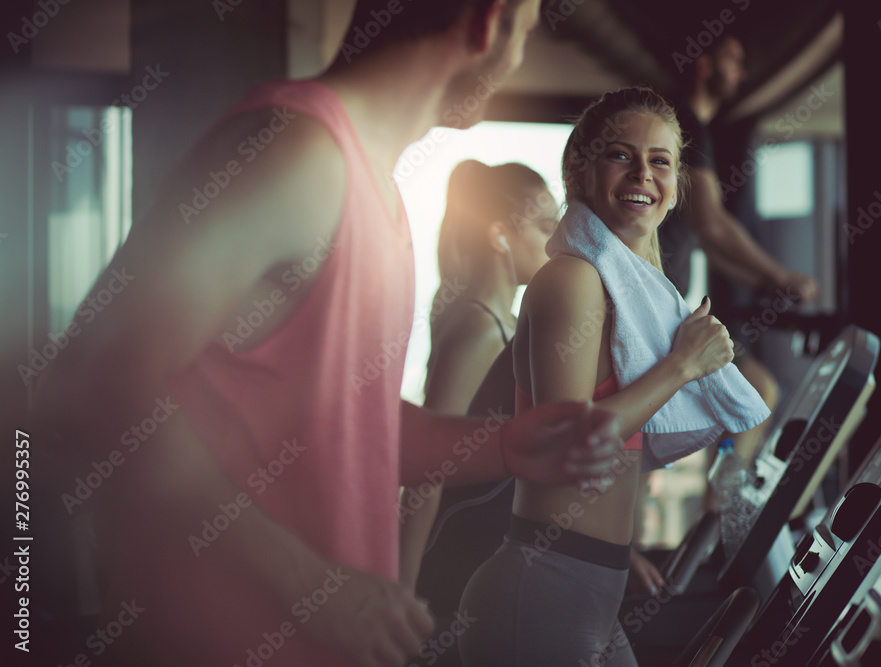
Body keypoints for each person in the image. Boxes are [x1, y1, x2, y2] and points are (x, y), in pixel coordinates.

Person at [32, 3, 626, 666]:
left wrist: (505, 445)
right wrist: (314, 587)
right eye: (528, 27)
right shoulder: (298, 154)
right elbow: (96, 381)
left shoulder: (379, 192)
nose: (520, 53)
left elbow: (354, 425)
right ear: (492, 21)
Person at [458, 87, 753, 666]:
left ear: (674, 187)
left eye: (660, 161)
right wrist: (682, 366)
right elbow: (564, 439)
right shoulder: (572, 280)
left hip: (589, 587)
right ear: (579, 170)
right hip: (543, 589)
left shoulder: (630, 297)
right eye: (621, 155)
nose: (643, 172)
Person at [398, 160, 558, 592]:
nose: (559, 240)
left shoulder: (505, 322)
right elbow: (425, 468)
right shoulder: (479, 328)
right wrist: (403, 587)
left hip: (486, 552)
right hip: (452, 561)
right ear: (500, 235)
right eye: (546, 227)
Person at [660, 33, 819, 460]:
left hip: (665, 307)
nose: (742, 73)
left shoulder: (695, 128)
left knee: (752, 395)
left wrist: (759, 282)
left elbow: (707, 243)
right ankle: (723, 517)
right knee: (758, 392)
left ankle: (720, 509)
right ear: (704, 64)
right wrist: (781, 275)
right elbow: (711, 224)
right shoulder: (685, 124)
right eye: (733, 59)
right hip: (658, 312)